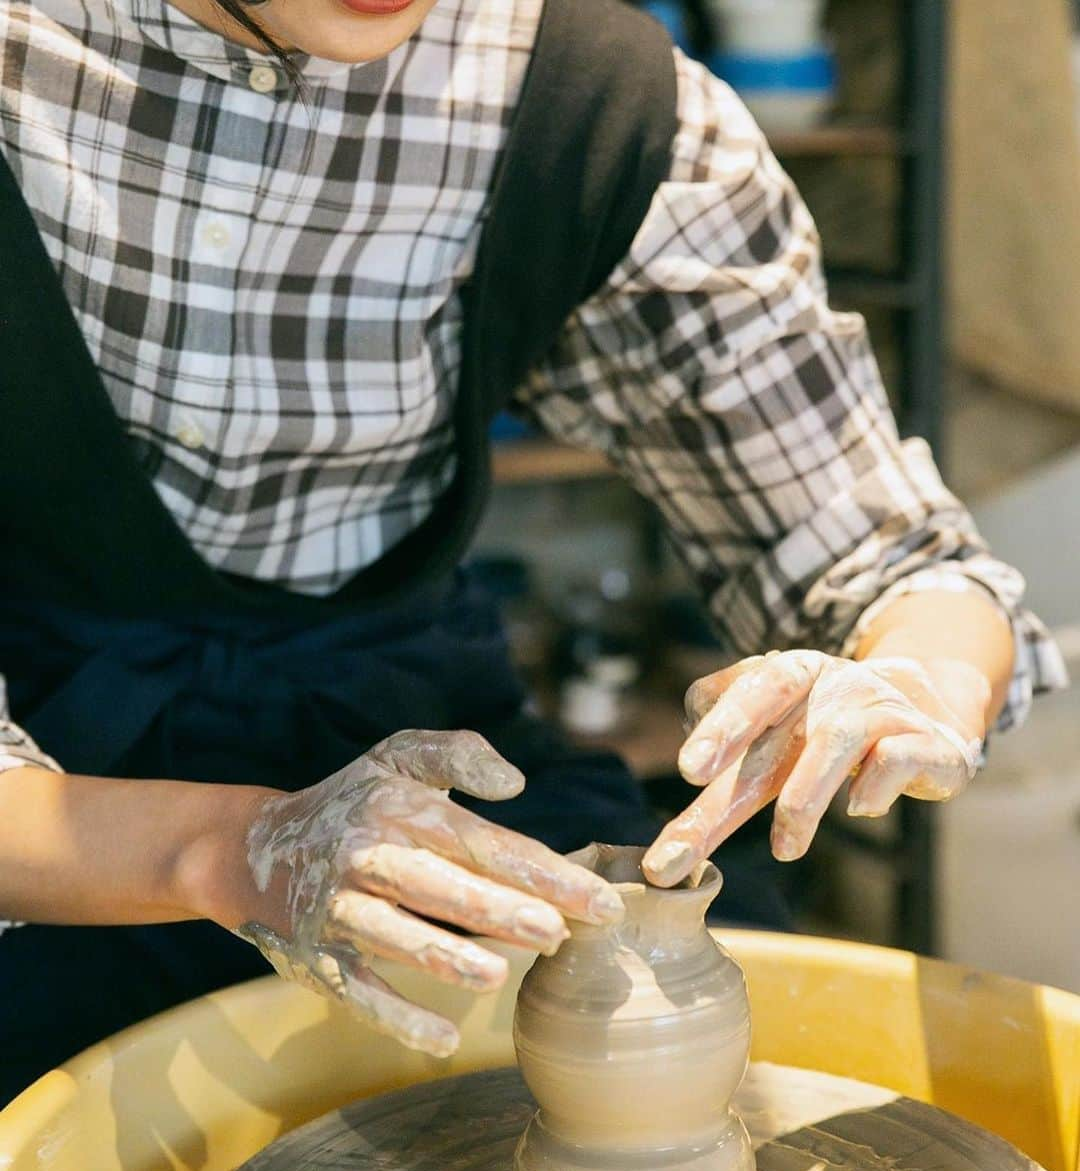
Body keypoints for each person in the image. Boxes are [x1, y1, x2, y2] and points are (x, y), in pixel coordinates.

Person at [0, 0, 1063, 1101]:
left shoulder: (593, 103)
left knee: (722, 1032)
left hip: (401, 728)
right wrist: (229, 848)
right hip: (49, 784)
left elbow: (891, 562)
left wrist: (912, 678)